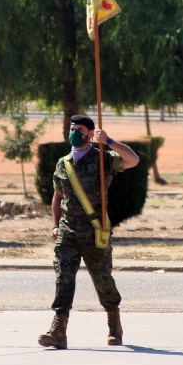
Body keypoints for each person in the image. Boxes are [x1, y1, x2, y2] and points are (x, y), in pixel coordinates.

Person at [38, 114, 140, 350]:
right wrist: (55, 225)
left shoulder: (103, 158)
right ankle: (58, 331)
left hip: (95, 231)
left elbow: (133, 160)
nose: (74, 132)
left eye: (80, 129)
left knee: (103, 280)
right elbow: (57, 196)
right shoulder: (63, 163)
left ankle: (114, 325)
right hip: (68, 231)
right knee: (63, 278)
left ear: (89, 133)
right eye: (72, 128)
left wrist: (109, 141)